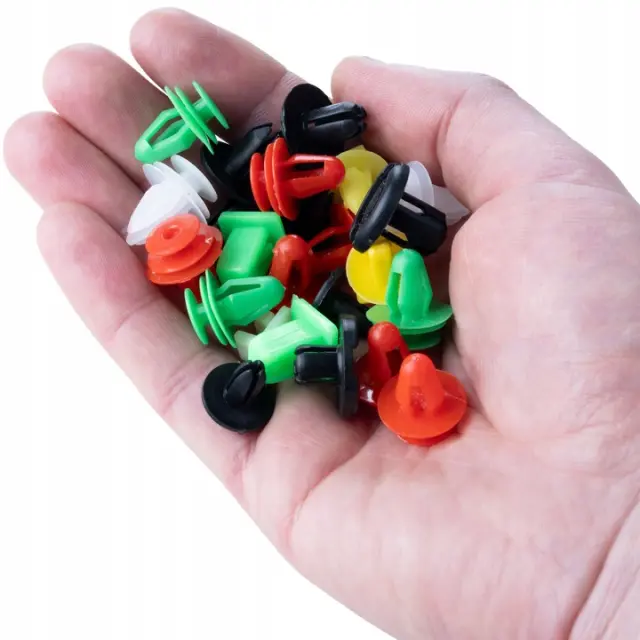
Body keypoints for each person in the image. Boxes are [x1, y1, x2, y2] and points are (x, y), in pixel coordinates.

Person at [4, 8, 639, 639]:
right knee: (300, 263)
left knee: (343, 288)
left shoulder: (364, 255)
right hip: (304, 308)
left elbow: (353, 266)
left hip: (351, 317)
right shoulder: (261, 262)